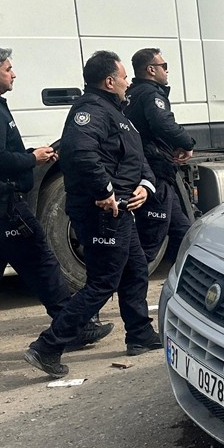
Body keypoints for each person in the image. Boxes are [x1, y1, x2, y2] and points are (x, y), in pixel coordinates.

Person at [0, 45, 112, 363]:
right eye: (8, 68)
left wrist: (32, 153)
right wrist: (33, 158)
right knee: (42, 263)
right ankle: (71, 328)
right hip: (3, 208)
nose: (13, 73)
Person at [24, 51, 162, 377]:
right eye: (125, 76)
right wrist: (106, 192)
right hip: (102, 213)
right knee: (102, 283)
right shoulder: (90, 112)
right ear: (109, 81)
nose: (129, 82)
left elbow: (134, 159)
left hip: (121, 211)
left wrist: (145, 185)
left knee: (135, 270)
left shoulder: (117, 113)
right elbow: (80, 154)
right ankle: (48, 346)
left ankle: (140, 334)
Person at [125, 48, 195, 264]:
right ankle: (125, 280)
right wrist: (187, 143)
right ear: (151, 70)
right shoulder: (151, 94)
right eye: (163, 66)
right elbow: (163, 123)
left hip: (151, 168)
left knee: (183, 230)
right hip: (155, 169)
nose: (167, 70)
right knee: (150, 242)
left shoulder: (132, 93)